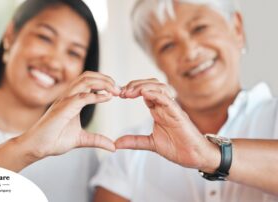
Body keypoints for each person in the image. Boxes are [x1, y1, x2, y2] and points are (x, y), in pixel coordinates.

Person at [91, 0, 278, 201]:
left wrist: (210, 155)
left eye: (200, 28)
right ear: (156, 62)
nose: (189, 52)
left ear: (237, 28)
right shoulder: (131, 150)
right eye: (168, 45)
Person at [0, 0, 120, 201]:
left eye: (73, 52)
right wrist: (25, 149)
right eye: (45, 37)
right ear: (10, 35)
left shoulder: (81, 155)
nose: (53, 62)